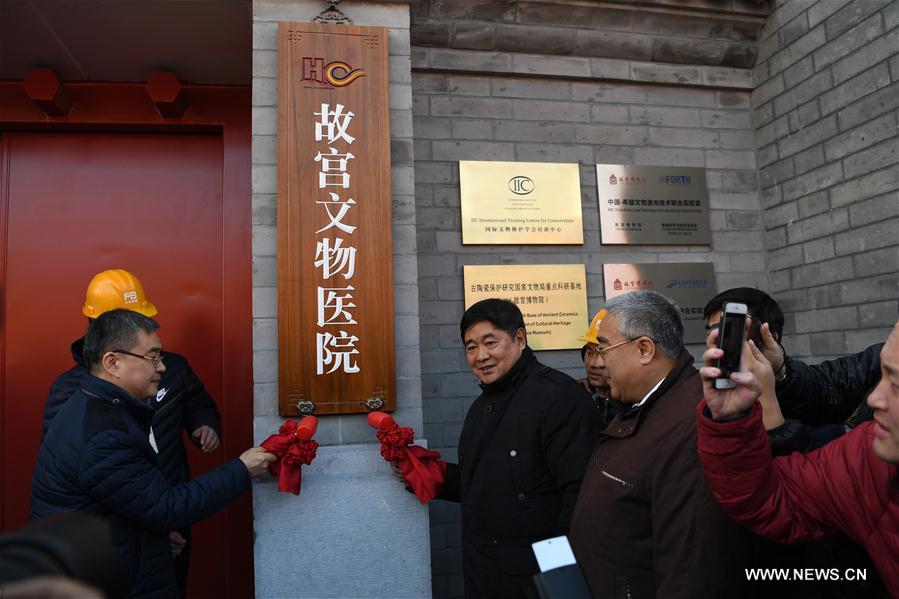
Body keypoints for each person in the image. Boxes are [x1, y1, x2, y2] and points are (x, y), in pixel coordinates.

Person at [31, 309, 275, 598]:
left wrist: (149, 537)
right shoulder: (103, 434)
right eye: (152, 357)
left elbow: (123, 501)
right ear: (113, 362)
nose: (162, 368)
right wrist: (242, 469)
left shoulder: (99, 405)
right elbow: (166, 507)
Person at [42, 269, 222, 595]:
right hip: (123, 532)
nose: (158, 367)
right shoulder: (70, 391)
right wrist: (146, 534)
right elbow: (75, 476)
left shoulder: (171, 367)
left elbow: (198, 402)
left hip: (172, 507)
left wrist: (205, 423)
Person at [569, 290, 748, 598]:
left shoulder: (690, 427)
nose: (597, 362)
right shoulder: (635, 404)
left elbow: (690, 569)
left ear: (644, 349)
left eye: (604, 348)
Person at [696, 320, 899, 591]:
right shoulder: (868, 452)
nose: (874, 399)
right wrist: (731, 420)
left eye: (895, 384)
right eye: (881, 375)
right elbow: (775, 501)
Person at [422, 299, 596, 598]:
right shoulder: (481, 406)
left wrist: (560, 578)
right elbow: (481, 486)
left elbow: (580, 498)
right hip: (484, 573)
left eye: (490, 343)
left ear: (519, 338)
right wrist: (429, 474)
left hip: (535, 579)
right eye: (471, 347)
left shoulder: (558, 397)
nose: (481, 356)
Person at [577, 309, 616, 430]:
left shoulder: (635, 401)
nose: (594, 364)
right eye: (589, 352)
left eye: (603, 353)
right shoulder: (575, 396)